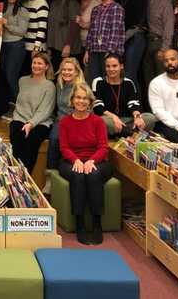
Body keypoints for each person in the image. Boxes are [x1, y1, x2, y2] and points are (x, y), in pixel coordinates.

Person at [58, 82, 112, 245]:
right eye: (78, 97)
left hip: (96, 160)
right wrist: (75, 160)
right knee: (78, 176)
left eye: (84, 98)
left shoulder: (98, 121)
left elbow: (103, 147)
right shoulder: (65, 122)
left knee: (93, 174)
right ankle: (79, 223)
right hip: (71, 160)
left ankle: (97, 223)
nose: (81, 101)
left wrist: (91, 161)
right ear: (72, 100)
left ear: (90, 101)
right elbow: (64, 147)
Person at [10, 53, 56, 175]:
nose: (36, 66)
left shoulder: (49, 86)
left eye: (40, 63)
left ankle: (24, 177)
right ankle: (14, 175)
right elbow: (20, 104)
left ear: (46, 67)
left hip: (40, 121)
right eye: (34, 62)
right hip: (20, 117)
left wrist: (31, 123)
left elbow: (46, 110)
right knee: (17, 138)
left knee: (32, 141)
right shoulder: (22, 81)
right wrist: (21, 121)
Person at [91, 53, 156, 138]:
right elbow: (98, 107)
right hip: (110, 120)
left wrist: (137, 117)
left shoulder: (128, 82)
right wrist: (114, 117)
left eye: (114, 66)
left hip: (128, 120)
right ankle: (133, 134)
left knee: (150, 118)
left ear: (121, 66)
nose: (111, 69)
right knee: (102, 121)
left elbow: (134, 104)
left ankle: (122, 133)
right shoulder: (98, 82)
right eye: (108, 66)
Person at [84, 0, 125, 84]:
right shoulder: (95, 9)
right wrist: (87, 51)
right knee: (94, 82)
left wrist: (110, 53)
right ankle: (97, 100)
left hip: (109, 51)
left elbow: (115, 32)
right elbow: (91, 31)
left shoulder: (117, 8)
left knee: (108, 81)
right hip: (95, 50)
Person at [47, 57, 84, 169]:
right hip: (60, 121)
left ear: (76, 72)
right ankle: (51, 173)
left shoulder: (81, 87)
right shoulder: (60, 84)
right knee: (54, 139)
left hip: (77, 121)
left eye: (70, 70)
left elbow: (87, 110)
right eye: (64, 69)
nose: (66, 72)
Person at [0, 0, 29, 117]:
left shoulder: (22, 10)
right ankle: (12, 107)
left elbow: (22, 31)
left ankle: (22, 109)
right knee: (5, 78)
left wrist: (6, 24)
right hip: (2, 46)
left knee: (12, 77)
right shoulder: (1, 9)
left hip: (16, 46)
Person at [142, 0, 175, 90]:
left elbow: (169, 27)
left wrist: (164, 49)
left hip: (158, 44)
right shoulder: (140, 1)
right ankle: (151, 107)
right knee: (147, 80)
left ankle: (163, 108)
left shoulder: (164, 3)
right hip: (144, 44)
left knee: (161, 80)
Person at [117, 0, 147, 86]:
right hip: (122, 40)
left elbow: (138, 23)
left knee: (130, 75)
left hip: (135, 38)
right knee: (122, 75)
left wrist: (121, 39)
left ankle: (135, 104)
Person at [46, 0, 81, 74]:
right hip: (55, 47)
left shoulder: (72, 3)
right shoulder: (53, 4)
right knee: (58, 78)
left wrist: (68, 45)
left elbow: (75, 25)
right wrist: (49, 47)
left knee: (68, 78)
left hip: (67, 49)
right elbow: (51, 27)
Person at [21, 0, 49, 73]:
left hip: (36, 48)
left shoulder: (41, 2)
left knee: (37, 75)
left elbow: (42, 27)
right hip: (24, 47)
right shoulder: (24, 3)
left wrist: (36, 48)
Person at [75, 0, 100, 66]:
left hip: (92, 44)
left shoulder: (97, 2)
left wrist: (84, 24)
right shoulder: (75, 4)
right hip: (77, 45)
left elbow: (101, 24)